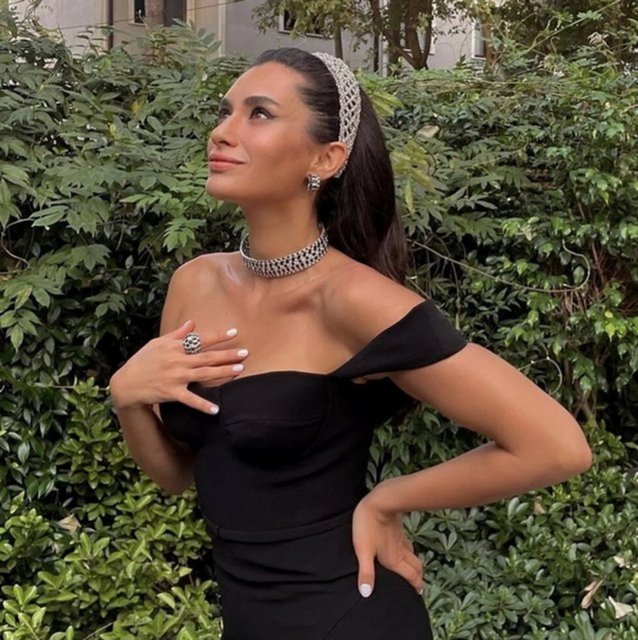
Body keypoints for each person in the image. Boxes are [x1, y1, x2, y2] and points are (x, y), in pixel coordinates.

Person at [108, 47, 593, 640]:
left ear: (326, 158)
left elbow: (556, 446)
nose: (222, 131)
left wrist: (388, 499)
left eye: (259, 114)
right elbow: (178, 473)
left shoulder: (355, 301)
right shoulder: (194, 283)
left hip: (348, 614)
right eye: (225, 111)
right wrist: (128, 398)